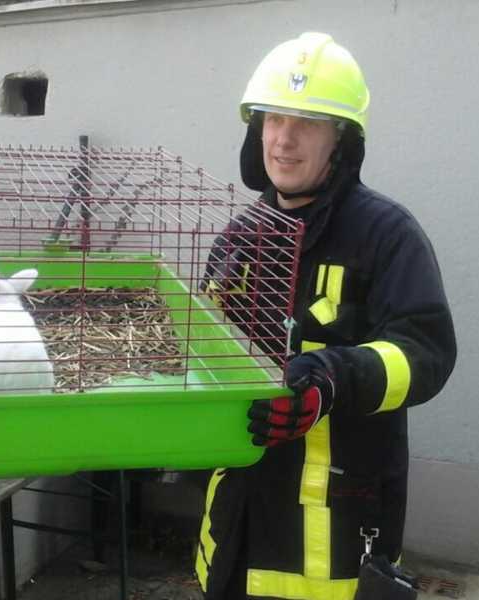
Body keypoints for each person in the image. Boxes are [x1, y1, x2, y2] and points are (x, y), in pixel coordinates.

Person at [196, 32, 457, 600]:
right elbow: (203, 354)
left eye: (308, 122)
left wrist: (331, 382)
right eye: (273, 120)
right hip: (234, 529)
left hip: (333, 536)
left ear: (342, 139)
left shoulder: (388, 235)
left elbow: (427, 353)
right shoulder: (239, 237)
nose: (284, 141)